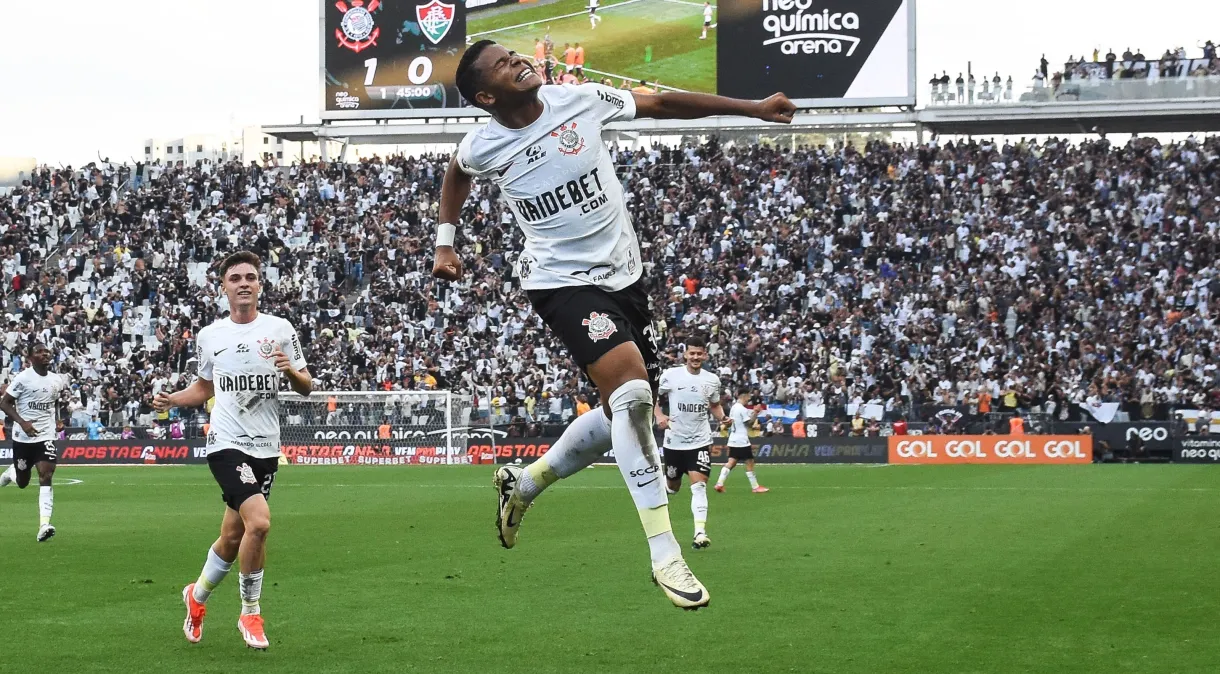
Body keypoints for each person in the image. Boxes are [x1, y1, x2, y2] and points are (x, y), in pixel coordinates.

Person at [435, 39, 793, 610]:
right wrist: (446, 243)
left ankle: (525, 483)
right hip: (559, 281)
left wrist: (752, 108)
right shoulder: (482, 144)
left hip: (626, 278)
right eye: (502, 64)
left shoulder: (577, 100)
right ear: (486, 96)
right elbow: (457, 173)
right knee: (631, 395)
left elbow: (662, 103)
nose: (519, 61)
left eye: (514, 54)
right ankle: (664, 552)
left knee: (618, 414)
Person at [153, 251, 312, 650]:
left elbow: (307, 385)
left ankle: (196, 596)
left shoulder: (279, 329)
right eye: (236, 278)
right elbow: (204, 388)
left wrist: (290, 371)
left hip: (266, 447)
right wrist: (173, 399)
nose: (244, 283)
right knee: (259, 523)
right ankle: (250, 612)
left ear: (259, 285)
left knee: (232, 536)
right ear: (223, 286)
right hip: (225, 443)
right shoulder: (211, 336)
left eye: (250, 277)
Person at [654, 337, 723, 550]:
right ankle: (662, 490)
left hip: (700, 441)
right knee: (673, 486)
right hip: (674, 442)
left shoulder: (712, 380)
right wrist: (659, 415)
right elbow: (652, 396)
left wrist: (723, 418)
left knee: (699, 486)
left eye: (699, 353)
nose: (695, 357)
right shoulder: (671, 376)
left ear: (705, 355)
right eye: (692, 353)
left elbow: (715, 405)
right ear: (685, 355)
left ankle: (700, 533)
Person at [0, 343, 69, 542]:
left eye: (46, 351)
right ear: (30, 357)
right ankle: (11, 473)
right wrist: (22, 422)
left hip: (46, 435)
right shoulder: (23, 379)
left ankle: (44, 525)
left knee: (46, 475)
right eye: (39, 351)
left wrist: (57, 419)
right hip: (23, 438)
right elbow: (4, 403)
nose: (45, 354)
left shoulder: (57, 379)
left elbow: (55, 401)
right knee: (22, 482)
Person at [714, 389, 768, 493]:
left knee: (732, 462)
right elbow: (749, 424)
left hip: (733, 439)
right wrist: (756, 412)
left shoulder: (734, 407)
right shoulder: (741, 409)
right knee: (750, 462)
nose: (749, 399)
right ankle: (755, 487)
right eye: (748, 396)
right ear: (744, 396)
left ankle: (719, 483)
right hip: (741, 440)